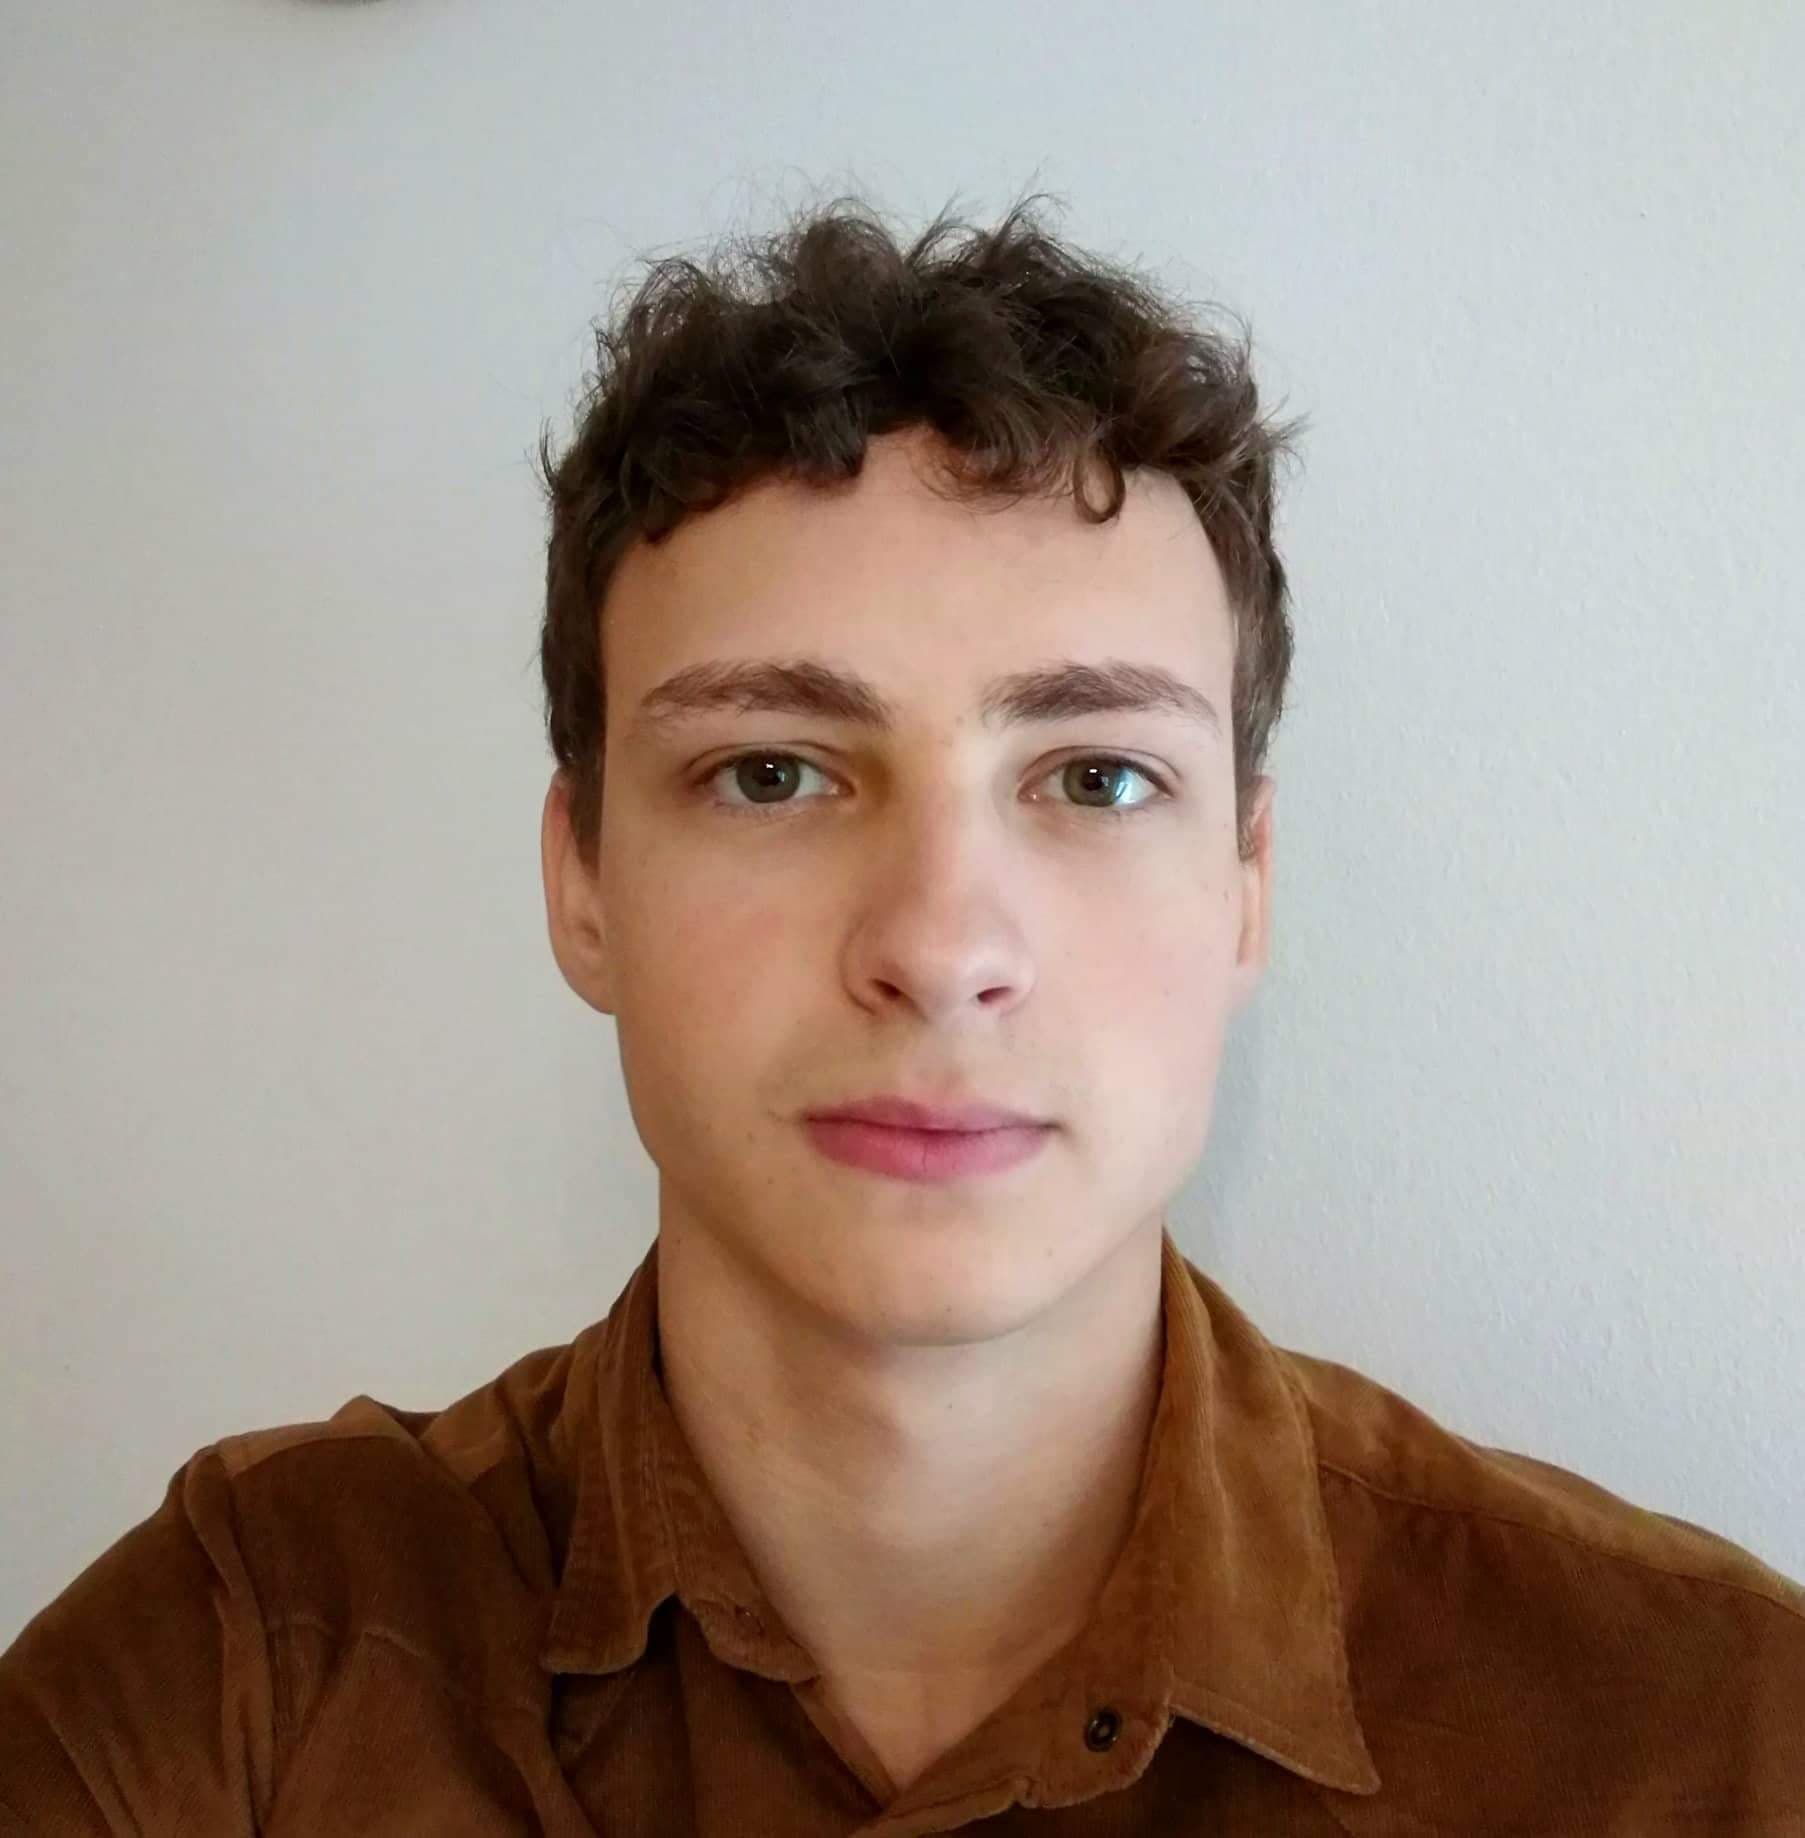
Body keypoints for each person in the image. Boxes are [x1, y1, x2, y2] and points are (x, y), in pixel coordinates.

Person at [4, 191, 1801, 1836]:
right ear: (583, 879)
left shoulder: (1709, 1738)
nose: (940, 945)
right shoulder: (239, 1687)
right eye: (772, 771)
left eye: (1093, 777)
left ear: (1245, 886)